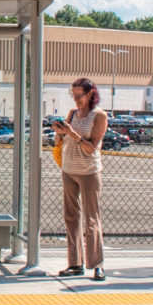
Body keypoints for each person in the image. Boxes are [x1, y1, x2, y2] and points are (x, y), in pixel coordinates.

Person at [53, 77, 108, 281]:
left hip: (89, 172)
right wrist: (59, 134)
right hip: (69, 169)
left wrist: (72, 133)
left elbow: (92, 147)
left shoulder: (99, 116)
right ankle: (75, 263)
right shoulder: (72, 114)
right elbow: (62, 140)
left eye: (79, 95)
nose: (76, 99)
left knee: (91, 218)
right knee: (71, 217)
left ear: (90, 94)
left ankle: (97, 264)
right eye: (73, 95)